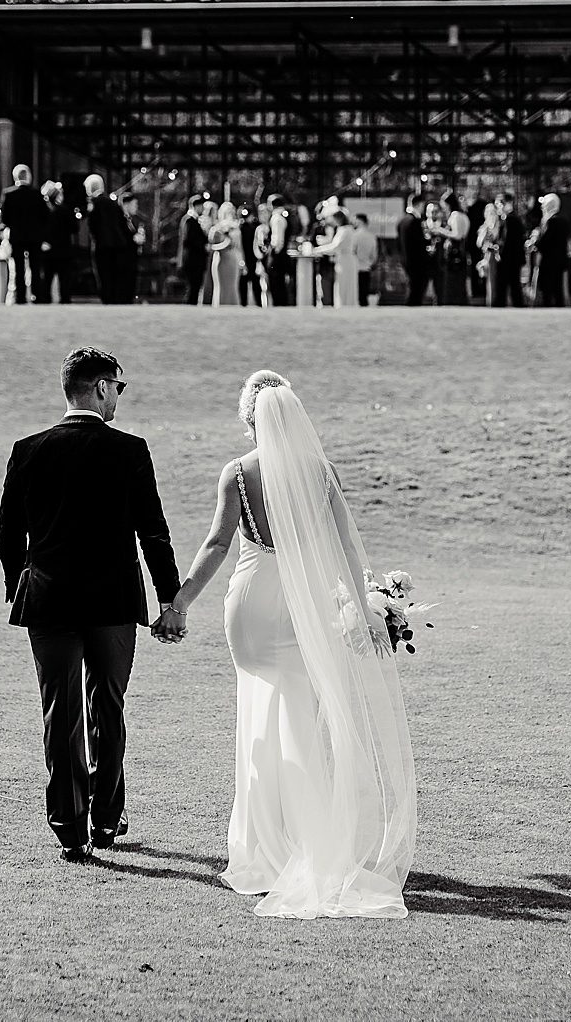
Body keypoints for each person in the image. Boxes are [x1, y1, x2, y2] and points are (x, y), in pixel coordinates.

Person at [161, 370, 416, 917]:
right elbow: (347, 543)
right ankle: (309, 841)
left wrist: (181, 601)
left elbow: (216, 543)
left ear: (251, 418)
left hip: (251, 604)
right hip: (305, 607)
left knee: (258, 716)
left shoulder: (237, 473)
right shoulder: (320, 473)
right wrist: (365, 607)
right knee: (300, 716)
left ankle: (264, 846)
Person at [0, 347, 180, 862]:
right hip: (113, 601)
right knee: (108, 706)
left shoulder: (27, 449)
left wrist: (20, 584)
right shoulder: (130, 451)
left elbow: (9, 532)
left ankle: (70, 829)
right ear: (101, 388)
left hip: (48, 599)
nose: (119, 397)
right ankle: (105, 820)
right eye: (118, 387)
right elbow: (154, 533)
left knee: (60, 711)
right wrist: (170, 599)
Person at [0, 165, 51, 304]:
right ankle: (36, 295)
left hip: (17, 236)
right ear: (28, 177)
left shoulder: (8, 194)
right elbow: (45, 216)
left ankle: (20, 297)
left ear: (15, 177)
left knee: (18, 268)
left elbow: (5, 218)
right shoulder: (37, 194)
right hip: (35, 237)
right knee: (35, 267)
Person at [84, 174, 137, 304]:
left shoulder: (93, 204)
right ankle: (115, 299)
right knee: (114, 275)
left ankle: (106, 299)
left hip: (102, 245)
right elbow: (121, 224)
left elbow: (92, 225)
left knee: (103, 275)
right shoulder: (113, 204)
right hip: (118, 246)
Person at [431, 190, 473, 306]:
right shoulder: (461, 215)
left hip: (456, 254)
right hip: (460, 254)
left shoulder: (456, 216)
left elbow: (457, 235)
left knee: (455, 281)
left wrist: (440, 231)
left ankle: (455, 301)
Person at [530, 192, 571, 306]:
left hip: (549, 262)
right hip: (560, 261)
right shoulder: (564, 222)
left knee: (547, 290)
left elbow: (545, 242)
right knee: (558, 290)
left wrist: (535, 242)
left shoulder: (551, 223)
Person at [41, 181, 78, 303]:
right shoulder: (65, 211)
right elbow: (74, 228)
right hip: (64, 250)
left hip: (48, 250)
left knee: (47, 279)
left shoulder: (44, 212)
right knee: (65, 280)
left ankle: (45, 301)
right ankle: (65, 301)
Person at [258, 194, 296, 307]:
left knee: (276, 282)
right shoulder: (284, 216)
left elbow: (277, 240)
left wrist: (272, 253)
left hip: (277, 255)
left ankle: (279, 303)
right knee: (279, 282)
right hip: (281, 254)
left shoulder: (277, 218)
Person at [207, 201, 245, 305]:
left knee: (232, 285)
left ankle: (232, 304)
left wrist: (242, 261)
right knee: (220, 285)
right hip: (220, 258)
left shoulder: (235, 227)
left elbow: (239, 246)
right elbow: (210, 246)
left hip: (232, 258)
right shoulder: (217, 229)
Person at [396, 197, 430, 306]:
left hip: (406, 260)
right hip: (417, 261)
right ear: (420, 204)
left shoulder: (402, 221)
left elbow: (398, 243)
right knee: (417, 289)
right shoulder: (415, 221)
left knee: (412, 286)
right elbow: (419, 242)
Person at [180, 195, 211, 305]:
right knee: (193, 287)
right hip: (193, 260)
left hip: (196, 260)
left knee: (195, 286)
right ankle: (190, 306)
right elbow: (190, 239)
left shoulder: (194, 220)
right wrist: (203, 246)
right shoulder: (189, 220)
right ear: (196, 206)